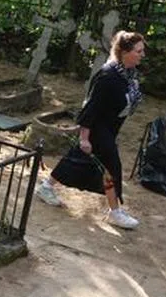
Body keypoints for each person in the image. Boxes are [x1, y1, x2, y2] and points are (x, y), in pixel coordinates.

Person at [35, 30, 146, 230]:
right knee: (112, 168)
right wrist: (84, 137)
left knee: (76, 160)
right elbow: (91, 108)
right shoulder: (108, 76)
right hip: (97, 129)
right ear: (125, 52)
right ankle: (115, 211)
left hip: (110, 129)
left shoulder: (127, 75)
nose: (142, 55)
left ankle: (46, 186)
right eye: (138, 51)